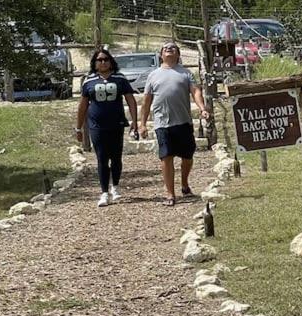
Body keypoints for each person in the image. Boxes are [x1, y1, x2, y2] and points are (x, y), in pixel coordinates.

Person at [139, 42, 210, 206]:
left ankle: (184, 184)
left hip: (183, 121)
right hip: (162, 123)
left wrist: (202, 108)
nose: (169, 49)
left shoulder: (186, 73)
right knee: (166, 156)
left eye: (173, 48)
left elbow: (195, 91)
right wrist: (142, 124)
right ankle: (170, 194)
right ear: (160, 55)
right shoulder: (153, 75)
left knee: (187, 156)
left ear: (178, 54)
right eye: (165, 48)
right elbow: (146, 101)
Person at [76, 49, 137, 207]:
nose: (102, 62)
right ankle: (104, 192)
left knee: (116, 157)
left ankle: (115, 187)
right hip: (97, 125)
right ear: (94, 63)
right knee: (102, 158)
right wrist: (79, 128)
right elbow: (83, 105)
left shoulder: (119, 79)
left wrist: (134, 122)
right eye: (99, 60)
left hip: (116, 124)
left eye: (105, 59)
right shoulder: (89, 81)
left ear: (110, 61)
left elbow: (130, 100)